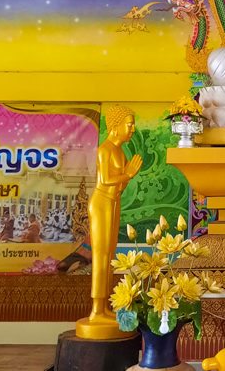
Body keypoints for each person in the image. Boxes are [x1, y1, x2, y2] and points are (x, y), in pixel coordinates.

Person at [75, 105, 142, 340]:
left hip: (114, 202)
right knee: (101, 255)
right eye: (129, 125)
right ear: (115, 125)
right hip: (101, 203)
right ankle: (96, 309)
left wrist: (127, 176)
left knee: (110, 256)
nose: (132, 129)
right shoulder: (105, 149)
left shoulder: (119, 151)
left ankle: (104, 308)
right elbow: (106, 179)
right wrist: (128, 174)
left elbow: (120, 185)